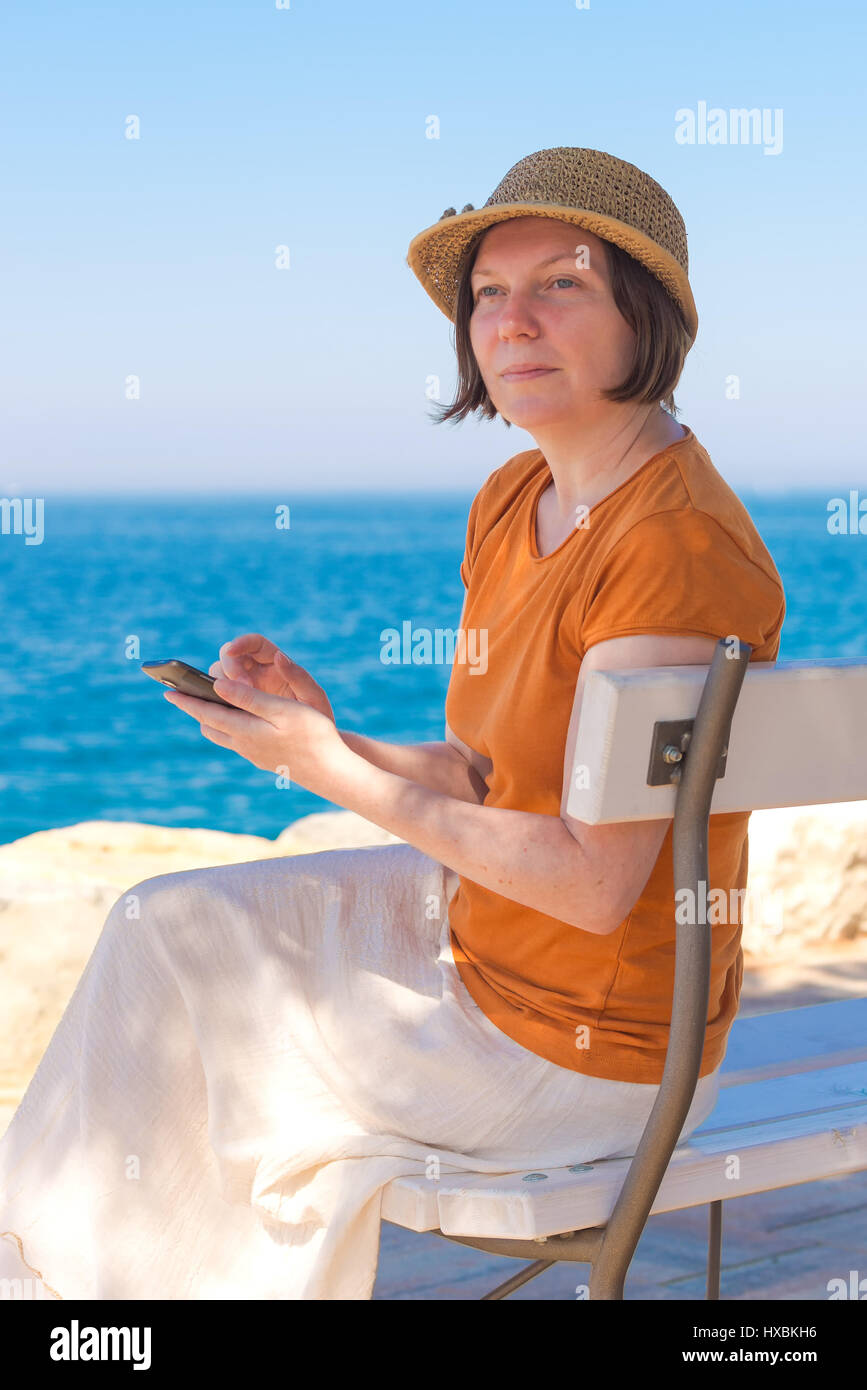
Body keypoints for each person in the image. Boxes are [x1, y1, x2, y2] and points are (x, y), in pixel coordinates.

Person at [0, 147, 785, 1301]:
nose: (510, 321)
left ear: (646, 313)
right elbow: (483, 778)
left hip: (592, 1046)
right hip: (486, 946)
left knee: (211, 1054)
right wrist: (327, 733)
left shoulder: (672, 546)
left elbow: (590, 883)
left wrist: (324, 774)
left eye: (558, 285)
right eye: (486, 295)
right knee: (157, 924)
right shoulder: (516, 497)